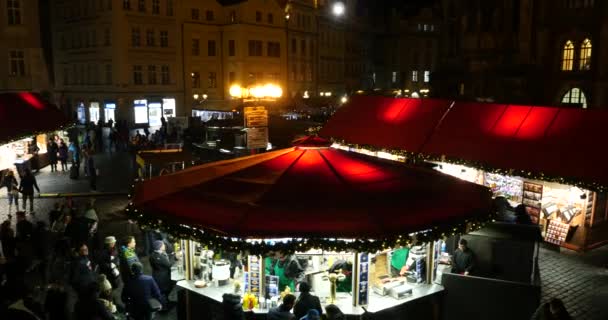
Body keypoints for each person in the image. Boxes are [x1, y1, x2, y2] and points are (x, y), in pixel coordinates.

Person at [149, 240, 174, 308]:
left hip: (157, 275)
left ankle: (166, 302)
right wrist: (174, 257)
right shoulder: (158, 257)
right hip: (162, 277)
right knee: (164, 291)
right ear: (159, 247)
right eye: (162, 245)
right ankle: (165, 307)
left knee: (164, 291)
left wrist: (172, 254)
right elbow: (169, 264)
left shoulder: (154, 254)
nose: (164, 245)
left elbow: (165, 257)